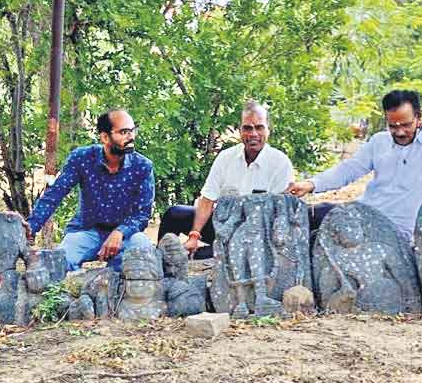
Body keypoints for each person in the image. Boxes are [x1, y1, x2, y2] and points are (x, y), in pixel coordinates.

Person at [286, 90, 422, 240]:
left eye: (406, 125)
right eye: (393, 126)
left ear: (419, 117)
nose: (399, 132)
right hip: (361, 213)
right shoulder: (379, 141)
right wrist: (311, 184)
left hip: (399, 229)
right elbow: (349, 169)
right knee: (305, 215)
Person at [22, 108, 155, 272]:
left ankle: (114, 284)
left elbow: (142, 213)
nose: (131, 137)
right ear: (105, 137)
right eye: (124, 132)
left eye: (133, 130)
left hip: (126, 236)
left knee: (141, 252)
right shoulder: (82, 158)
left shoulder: (142, 166)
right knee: (60, 262)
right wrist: (31, 227)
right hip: (86, 231)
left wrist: (120, 232)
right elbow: (55, 194)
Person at [158, 101, 294, 258]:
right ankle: (158, 266)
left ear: (268, 129)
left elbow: (278, 220)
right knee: (174, 214)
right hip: (221, 225)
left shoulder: (280, 163)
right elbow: (208, 199)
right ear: (239, 130)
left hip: (255, 236)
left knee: (199, 257)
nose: (253, 134)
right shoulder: (225, 157)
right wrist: (194, 235)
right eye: (247, 128)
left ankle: (206, 255)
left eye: (259, 127)